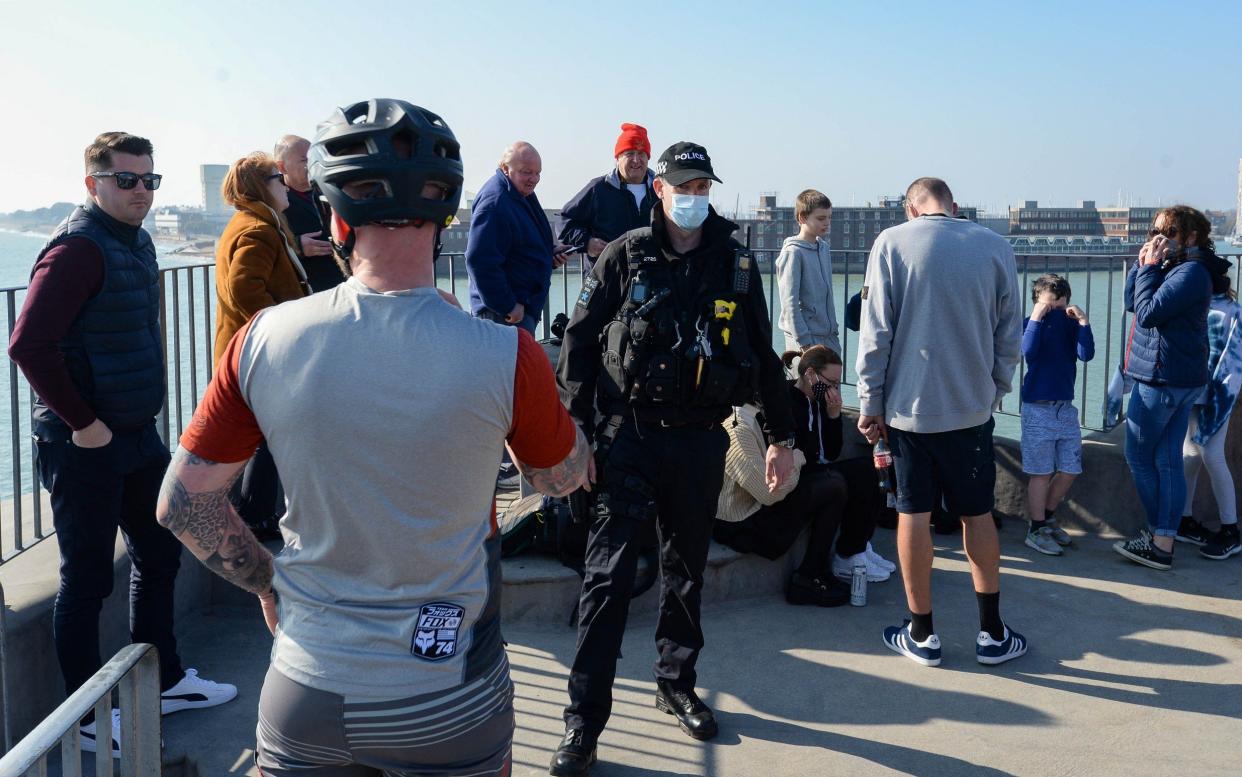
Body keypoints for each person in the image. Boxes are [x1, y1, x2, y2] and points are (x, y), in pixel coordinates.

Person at [155, 98, 591, 776]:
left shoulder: (263, 341)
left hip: (308, 687)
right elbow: (560, 477)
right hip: (450, 694)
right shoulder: (508, 356)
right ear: (448, 218)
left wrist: (266, 580)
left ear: (334, 218)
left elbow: (182, 504)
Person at [552, 141, 796, 776]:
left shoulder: (737, 264)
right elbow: (577, 345)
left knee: (685, 572)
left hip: (699, 439)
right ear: (659, 188)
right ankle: (582, 723)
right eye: (682, 185)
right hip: (628, 435)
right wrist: (577, 434)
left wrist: (780, 438)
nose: (693, 197)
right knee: (606, 580)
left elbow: (764, 358)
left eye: (703, 186)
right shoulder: (623, 255)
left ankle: (675, 682)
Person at [9, 132, 235, 758]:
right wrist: (84, 423)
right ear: (94, 183)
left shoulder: (134, 241)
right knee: (85, 580)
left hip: (137, 435)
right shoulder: (77, 250)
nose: (141, 192)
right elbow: (29, 345)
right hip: (85, 443)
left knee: (160, 553)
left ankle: (163, 680)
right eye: (127, 180)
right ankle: (83, 717)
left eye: (149, 181)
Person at [856, 176, 1026, 668]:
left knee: (914, 514)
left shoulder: (891, 243)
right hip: (971, 407)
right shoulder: (994, 246)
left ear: (912, 208)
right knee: (977, 514)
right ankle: (991, 633)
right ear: (954, 205)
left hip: (908, 410)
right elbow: (1009, 331)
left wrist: (870, 404)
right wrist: (996, 385)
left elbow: (875, 335)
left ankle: (922, 634)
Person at [714, 346, 893, 607]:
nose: (833, 389)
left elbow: (829, 453)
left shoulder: (777, 410)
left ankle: (849, 553)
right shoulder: (743, 424)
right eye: (830, 382)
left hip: (777, 491)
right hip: (743, 520)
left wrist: (832, 417)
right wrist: (795, 455)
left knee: (861, 472)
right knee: (833, 485)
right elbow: (770, 489)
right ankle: (811, 576)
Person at [1115, 205, 1232, 570]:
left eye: (1167, 232)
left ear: (1192, 236)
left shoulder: (1193, 272)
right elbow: (1132, 302)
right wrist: (1142, 265)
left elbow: (1148, 314)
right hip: (1174, 378)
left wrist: (1150, 268)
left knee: (1139, 456)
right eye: (1155, 231)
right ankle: (1164, 537)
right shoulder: (1176, 267)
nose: (1157, 238)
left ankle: (1160, 536)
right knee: (1167, 461)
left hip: (1162, 380)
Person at [212, 152, 311, 538]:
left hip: (245, 348)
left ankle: (249, 513)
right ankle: (253, 515)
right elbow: (243, 289)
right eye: (277, 177)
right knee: (268, 434)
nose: (284, 183)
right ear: (260, 186)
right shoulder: (258, 228)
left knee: (261, 433)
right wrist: (279, 327)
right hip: (260, 352)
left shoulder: (252, 222)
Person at [1019, 274, 1094, 556]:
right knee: (1041, 472)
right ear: (1038, 302)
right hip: (1037, 408)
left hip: (1064, 408)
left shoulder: (1071, 324)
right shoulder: (1030, 324)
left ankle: (1047, 518)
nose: (1056, 312)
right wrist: (1037, 317)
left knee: (1071, 468)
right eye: (1049, 305)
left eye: (1059, 306)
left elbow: (1086, 354)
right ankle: (1035, 528)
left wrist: (1084, 322)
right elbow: (1028, 352)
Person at [466, 140, 574, 334]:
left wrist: (549, 254)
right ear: (505, 168)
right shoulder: (496, 203)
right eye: (526, 172)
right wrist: (506, 305)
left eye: (537, 173)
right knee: (507, 365)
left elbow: (520, 245)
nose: (534, 178)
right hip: (503, 316)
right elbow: (479, 260)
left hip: (519, 310)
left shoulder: (519, 193)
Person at [1178, 278, 1242, 560]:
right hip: (1207, 391)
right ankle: (1184, 519)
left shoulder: (1210, 309)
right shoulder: (1228, 309)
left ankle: (1230, 529)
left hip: (1208, 392)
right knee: (1191, 455)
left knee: (1209, 456)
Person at [559, 123, 657, 278]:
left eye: (641, 153)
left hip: (650, 278)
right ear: (618, 158)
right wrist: (587, 242)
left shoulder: (661, 190)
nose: (636, 160)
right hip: (605, 279)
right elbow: (564, 221)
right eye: (629, 153)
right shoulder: (598, 188)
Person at [274, 133, 344, 291]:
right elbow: (268, 248)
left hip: (340, 289)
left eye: (312, 158)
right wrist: (297, 247)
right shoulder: (275, 202)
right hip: (305, 294)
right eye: (304, 160)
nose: (312, 164)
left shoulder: (328, 192)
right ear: (282, 167)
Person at [776, 189, 841, 356]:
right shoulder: (793, 253)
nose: (827, 223)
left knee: (831, 382)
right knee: (808, 382)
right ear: (802, 218)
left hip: (829, 337)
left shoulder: (824, 248)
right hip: (805, 340)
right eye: (820, 218)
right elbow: (790, 303)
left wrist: (833, 330)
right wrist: (805, 343)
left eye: (829, 217)